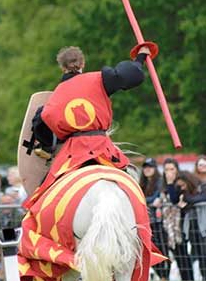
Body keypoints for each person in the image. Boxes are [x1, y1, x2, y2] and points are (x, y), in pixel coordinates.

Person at [26, 44, 152, 207]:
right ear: (83, 64)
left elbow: (41, 124)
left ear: (62, 68)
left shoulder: (55, 99)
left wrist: (46, 147)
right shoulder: (99, 79)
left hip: (73, 153)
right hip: (103, 149)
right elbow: (130, 75)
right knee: (131, 190)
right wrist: (141, 56)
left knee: (44, 198)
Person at [158, 158, 192, 281]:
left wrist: (171, 183)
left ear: (177, 170)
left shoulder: (180, 183)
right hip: (167, 224)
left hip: (180, 223)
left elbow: (174, 199)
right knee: (174, 254)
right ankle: (180, 279)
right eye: (166, 169)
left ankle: (189, 279)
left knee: (183, 254)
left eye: (172, 169)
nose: (169, 172)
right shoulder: (162, 184)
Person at [140, 158, 170, 280]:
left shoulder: (160, 181)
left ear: (155, 168)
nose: (147, 169)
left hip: (159, 222)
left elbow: (155, 198)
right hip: (146, 222)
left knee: (162, 249)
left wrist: (143, 201)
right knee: (149, 250)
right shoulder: (142, 183)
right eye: (145, 167)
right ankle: (162, 276)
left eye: (150, 167)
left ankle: (165, 276)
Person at [175, 171, 206, 281]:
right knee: (199, 254)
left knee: (204, 253)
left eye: (183, 185)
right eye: (180, 186)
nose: (182, 188)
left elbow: (198, 199)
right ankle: (204, 279)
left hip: (203, 226)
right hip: (192, 226)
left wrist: (187, 200)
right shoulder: (186, 192)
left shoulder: (202, 187)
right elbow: (183, 205)